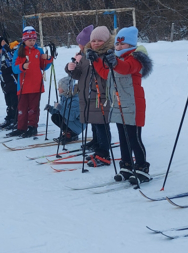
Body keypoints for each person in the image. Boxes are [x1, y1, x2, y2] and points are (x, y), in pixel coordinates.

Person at [92, 26, 153, 183]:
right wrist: (96, 61)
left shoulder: (136, 60)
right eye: (117, 44)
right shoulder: (116, 60)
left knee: (134, 138)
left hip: (133, 106)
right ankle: (126, 166)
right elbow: (106, 73)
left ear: (131, 45)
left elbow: (126, 69)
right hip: (118, 105)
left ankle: (142, 167)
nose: (118, 47)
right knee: (123, 138)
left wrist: (115, 62)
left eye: (122, 44)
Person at [68, 25, 112, 165]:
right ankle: (98, 148)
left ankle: (104, 153)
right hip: (87, 95)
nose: (96, 43)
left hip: (100, 95)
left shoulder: (107, 55)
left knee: (102, 124)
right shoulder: (87, 55)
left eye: (100, 40)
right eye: (94, 41)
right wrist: (72, 69)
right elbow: (79, 74)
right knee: (95, 123)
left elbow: (107, 75)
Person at [9, 26, 52, 138]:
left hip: (36, 85)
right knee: (22, 108)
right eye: (29, 40)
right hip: (23, 85)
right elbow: (14, 68)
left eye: (33, 40)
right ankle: (21, 127)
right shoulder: (19, 51)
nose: (32, 42)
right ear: (24, 40)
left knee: (33, 108)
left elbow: (44, 67)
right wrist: (22, 66)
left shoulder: (39, 51)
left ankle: (32, 127)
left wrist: (48, 59)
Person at [45, 74, 83, 144]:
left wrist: (60, 107)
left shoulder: (75, 100)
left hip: (78, 125)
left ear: (65, 88)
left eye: (60, 87)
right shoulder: (64, 97)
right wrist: (50, 109)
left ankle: (72, 134)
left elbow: (71, 116)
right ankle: (68, 133)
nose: (58, 88)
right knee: (55, 117)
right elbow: (60, 111)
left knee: (57, 117)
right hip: (71, 123)